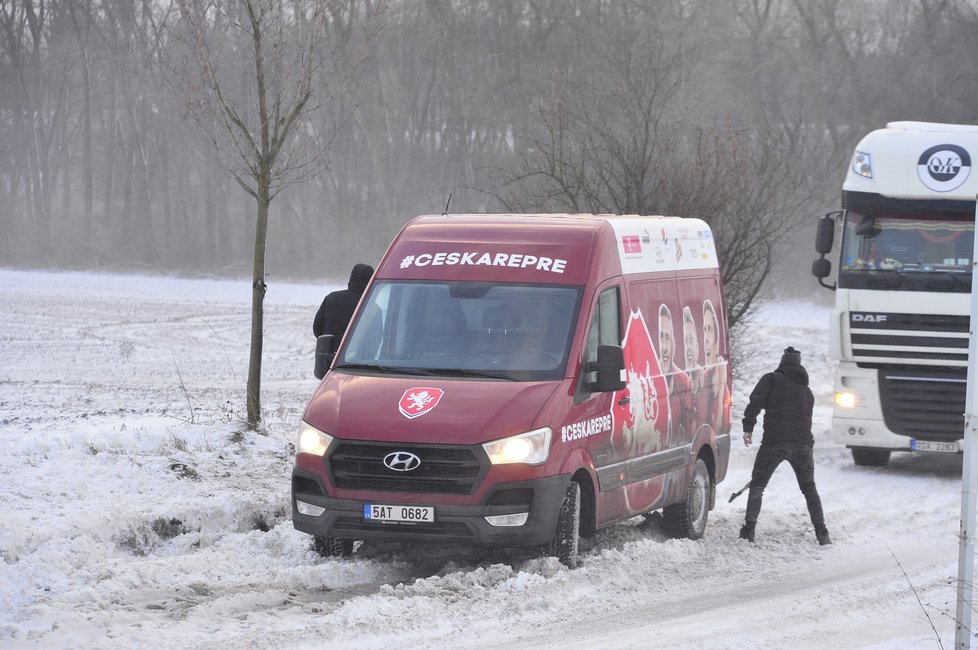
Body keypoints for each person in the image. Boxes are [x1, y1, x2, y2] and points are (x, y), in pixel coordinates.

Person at [739, 346, 831, 546]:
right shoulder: (807, 391)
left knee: (758, 486)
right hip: (803, 445)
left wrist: (748, 427)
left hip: (775, 441)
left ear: (782, 363)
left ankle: (748, 531)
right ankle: (822, 533)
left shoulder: (771, 379)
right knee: (809, 488)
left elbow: (755, 402)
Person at [313, 263, 374, 346]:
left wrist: (328, 347)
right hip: (359, 358)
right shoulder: (372, 307)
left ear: (351, 278)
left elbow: (317, 329)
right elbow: (375, 339)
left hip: (331, 356)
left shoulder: (331, 299)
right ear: (371, 281)